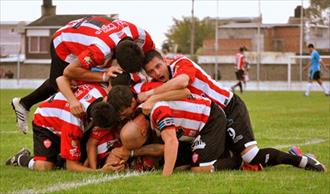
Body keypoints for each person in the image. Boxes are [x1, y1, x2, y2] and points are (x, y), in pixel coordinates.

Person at [137, 50, 326, 173]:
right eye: (151, 71)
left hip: (229, 108)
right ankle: (242, 162)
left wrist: (151, 95)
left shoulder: (180, 62)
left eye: (158, 66)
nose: (156, 73)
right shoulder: (162, 83)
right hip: (211, 120)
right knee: (204, 165)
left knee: (251, 156)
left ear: (164, 60)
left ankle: (302, 160)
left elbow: (183, 83)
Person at [11, 16, 155, 134]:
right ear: (115, 56)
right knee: (61, 83)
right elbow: (69, 72)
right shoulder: (100, 50)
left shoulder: (140, 34)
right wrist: (103, 75)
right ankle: (24, 104)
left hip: (87, 32)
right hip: (64, 42)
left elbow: (152, 57)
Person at [6, 83, 124, 173]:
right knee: (45, 166)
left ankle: (60, 154)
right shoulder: (73, 122)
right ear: (92, 121)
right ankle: (21, 158)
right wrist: (98, 172)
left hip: (62, 115)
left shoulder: (101, 91)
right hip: (45, 123)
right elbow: (71, 166)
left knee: (80, 157)